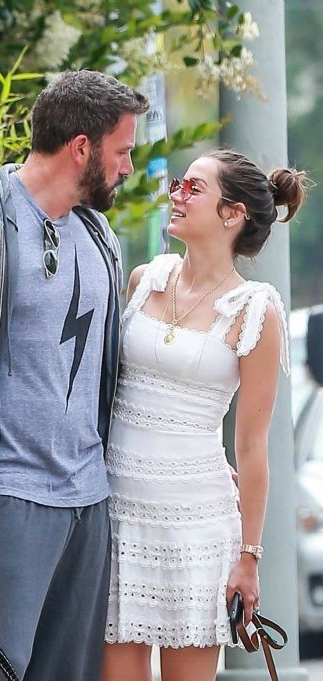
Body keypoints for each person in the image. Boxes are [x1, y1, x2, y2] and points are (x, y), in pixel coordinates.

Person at [0, 69, 149, 681]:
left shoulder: (100, 235)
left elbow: (110, 370)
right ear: (82, 146)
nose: (127, 168)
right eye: (122, 152)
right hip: (1, 499)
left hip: (88, 505)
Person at [101, 150, 307, 681]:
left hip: (195, 523)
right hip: (116, 513)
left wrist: (250, 556)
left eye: (194, 188)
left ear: (232, 214)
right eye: (178, 184)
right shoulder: (144, 278)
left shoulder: (255, 308)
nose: (176, 195)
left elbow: (253, 446)